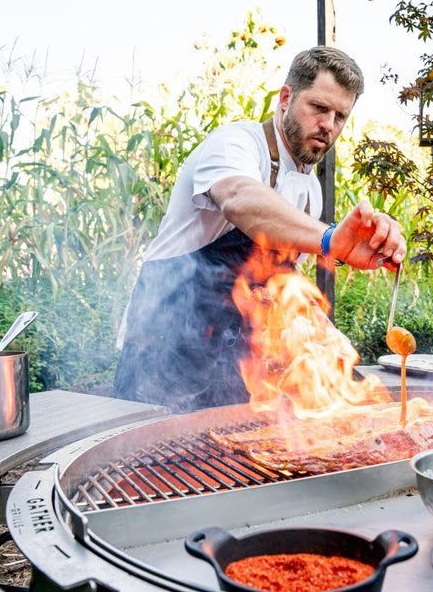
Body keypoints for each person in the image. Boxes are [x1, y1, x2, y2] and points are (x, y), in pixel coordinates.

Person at [113, 46, 407, 413]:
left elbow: (280, 284)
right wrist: (330, 239)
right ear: (285, 98)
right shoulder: (236, 142)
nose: (328, 125)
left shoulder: (309, 191)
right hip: (163, 356)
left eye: (340, 116)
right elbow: (239, 198)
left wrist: (325, 341)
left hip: (234, 368)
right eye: (319, 107)